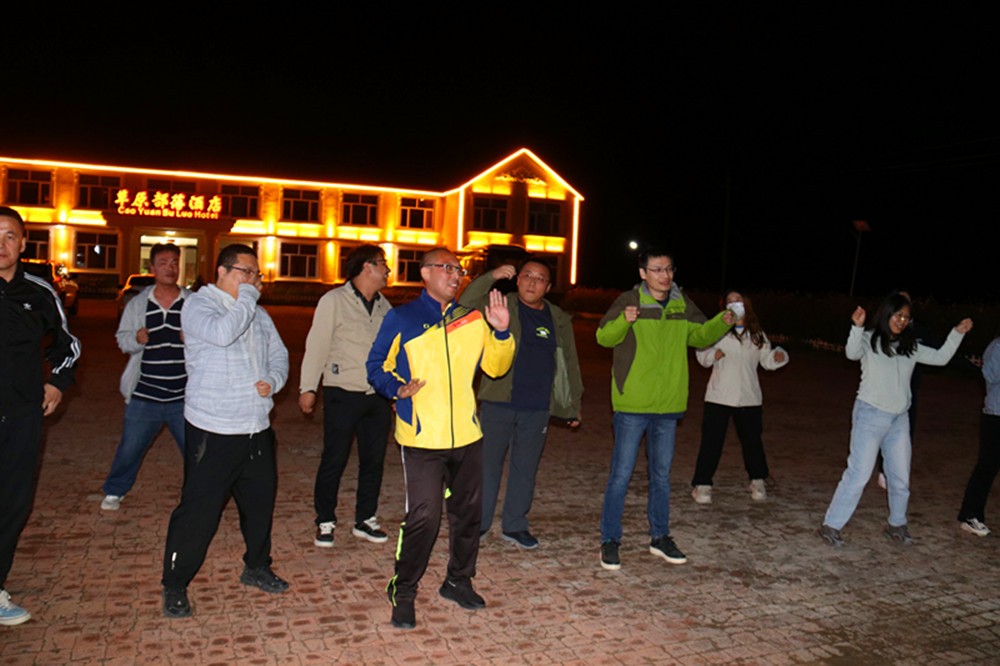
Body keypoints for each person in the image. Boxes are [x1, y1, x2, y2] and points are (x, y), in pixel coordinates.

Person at [367, 248, 513, 630]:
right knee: (424, 517)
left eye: (458, 269)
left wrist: (501, 332)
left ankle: (458, 581)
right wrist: (396, 389)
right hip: (421, 438)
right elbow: (376, 365)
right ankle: (403, 590)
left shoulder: (472, 319)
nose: (455, 275)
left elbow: (496, 368)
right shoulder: (402, 318)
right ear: (425, 273)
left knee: (468, 516)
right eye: (446, 268)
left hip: (467, 435)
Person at [161, 244, 289, 618]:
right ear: (221, 271)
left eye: (256, 275)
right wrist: (248, 296)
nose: (252, 281)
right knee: (199, 512)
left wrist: (273, 379)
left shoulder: (259, 314)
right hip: (213, 428)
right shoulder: (198, 307)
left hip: (255, 427)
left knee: (259, 504)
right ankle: (175, 583)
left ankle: (257, 566)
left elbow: (279, 354)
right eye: (245, 273)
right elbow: (223, 334)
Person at [596, 249, 732, 571]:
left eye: (669, 269)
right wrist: (624, 320)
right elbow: (604, 337)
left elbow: (700, 336)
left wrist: (721, 323)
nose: (665, 275)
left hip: (668, 404)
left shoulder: (681, 303)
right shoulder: (629, 299)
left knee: (661, 476)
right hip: (633, 403)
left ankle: (660, 537)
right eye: (657, 269)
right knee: (621, 475)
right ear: (643, 273)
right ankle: (610, 540)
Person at [819, 292, 972, 547]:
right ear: (886, 313)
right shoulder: (869, 339)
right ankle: (831, 525)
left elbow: (941, 358)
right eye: (898, 315)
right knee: (859, 473)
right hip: (870, 414)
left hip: (899, 419)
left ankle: (897, 524)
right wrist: (857, 327)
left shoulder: (910, 346)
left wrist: (956, 333)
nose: (901, 321)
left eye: (906, 317)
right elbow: (851, 353)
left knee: (900, 476)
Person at [460, 260, 583, 549]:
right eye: (527, 276)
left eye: (540, 279)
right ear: (517, 280)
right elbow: (465, 304)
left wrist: (572, 403)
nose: (532, 282)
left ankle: (515, 525)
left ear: (548, 287)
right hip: (499, 401)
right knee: (487, 466)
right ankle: (480, 523)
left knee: (525, 469)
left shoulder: (558, 318)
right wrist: (491, 276)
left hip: (537, 407)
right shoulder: (501, 304)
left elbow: (569, 362)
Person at [0, 206, 80, 626]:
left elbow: (67, 345)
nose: (1, 244)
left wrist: (57, 383)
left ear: (23, 243)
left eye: (9, 236)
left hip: (21, 415)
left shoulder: (39, 291)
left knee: (12, 504)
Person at [300, 244, 393, 548]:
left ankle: (365, 518)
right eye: (383, 264)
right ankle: (325, 520)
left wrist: (396, 389)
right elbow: (317, 345)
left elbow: (394, 351)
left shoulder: (384, 306)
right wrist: (308, 388)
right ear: (367, 267)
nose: (387, 270)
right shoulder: (334, 301)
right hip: (342, 392)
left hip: (377, 395)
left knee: (373, 460)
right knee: (335, 458)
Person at [101, 243, 190, 511]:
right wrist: (136, 339)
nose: (170, 268)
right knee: (130, 448)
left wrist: (192, 339)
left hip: (184, 397)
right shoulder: (138, 304)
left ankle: (199, 494)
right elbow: (122, 340)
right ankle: (115, 490)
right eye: (163, 263)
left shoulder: (193, 302)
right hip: (145, 394)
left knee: (195, 451)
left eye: (174, 263)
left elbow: (210, 340)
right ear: (152, 268)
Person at [691, 290, 788, 504]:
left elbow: (766, 360)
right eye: (730, 301)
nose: (734, 303)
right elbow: (702, 353)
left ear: (746, 304)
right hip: (719, 396)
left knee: (752, 442)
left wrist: (778, 356)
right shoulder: (717, 330)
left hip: (748, 397)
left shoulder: (756, 334)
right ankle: (702, 484)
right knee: (711, 442)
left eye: (738, 300)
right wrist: (712, 355)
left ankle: (758, 480)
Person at [956, 335, 1000, 537]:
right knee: (987, 466)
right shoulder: (997, 346)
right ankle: (970, 515)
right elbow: (990, 376)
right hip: (995, 415)